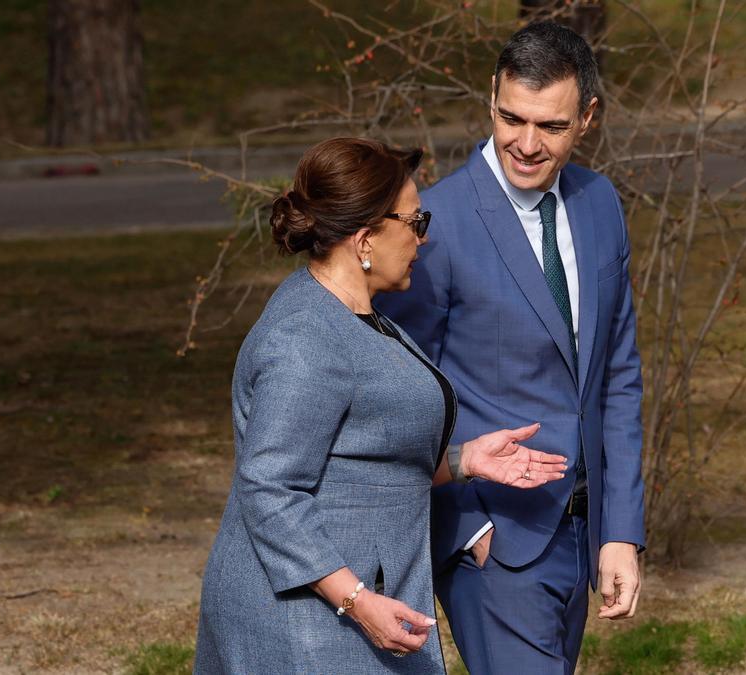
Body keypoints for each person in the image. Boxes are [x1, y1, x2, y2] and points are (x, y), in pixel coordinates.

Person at [192, 137, 568, 674]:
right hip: (305, 622)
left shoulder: (358, 316)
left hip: (351, 606)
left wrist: (464, 461)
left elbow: (361, 455)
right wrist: (356, 601)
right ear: (366, 239)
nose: (424, 236)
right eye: (415, 222)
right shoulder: (305, 338)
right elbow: (269, 487)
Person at [374, 20, 646, 674]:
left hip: (582, 534)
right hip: (494, 544)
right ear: (490, 98)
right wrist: (468, 533)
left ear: (587, 117)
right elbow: (397, 390)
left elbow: (617, 375)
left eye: (549, 126)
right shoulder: (434, 228)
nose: (525, 144)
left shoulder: (599, 203)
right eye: (510, 118)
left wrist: (620, 530)